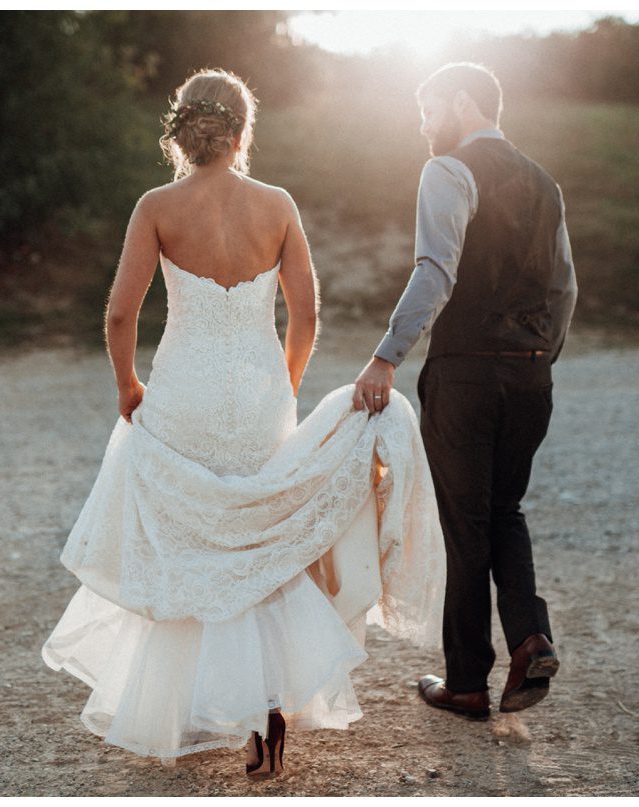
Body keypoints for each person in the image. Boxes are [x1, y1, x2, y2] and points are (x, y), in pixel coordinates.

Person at [41, 68, 446, 776]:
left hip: (183, 395)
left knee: (193, 547)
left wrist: (128, 384)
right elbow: (306, 313)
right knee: (260, 544)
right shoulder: (277, 204)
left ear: (182, 132)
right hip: (259, 397)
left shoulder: (156, 206)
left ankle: (200, 706)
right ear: (242, 131)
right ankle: (267, 705)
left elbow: (120, 313)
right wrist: (284, 384)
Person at [353, 62, 578, 719]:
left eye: (428, 110)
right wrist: (538, 358)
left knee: (464, 524)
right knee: (505, 510)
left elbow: (436, 270)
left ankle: (468, 683)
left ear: (460, 101)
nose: (425, 126)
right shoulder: (545, 183)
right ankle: (531, 637)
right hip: (531, 372)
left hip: (467, 374)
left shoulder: (448, 169)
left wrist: (385, 357)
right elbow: (565, 286)